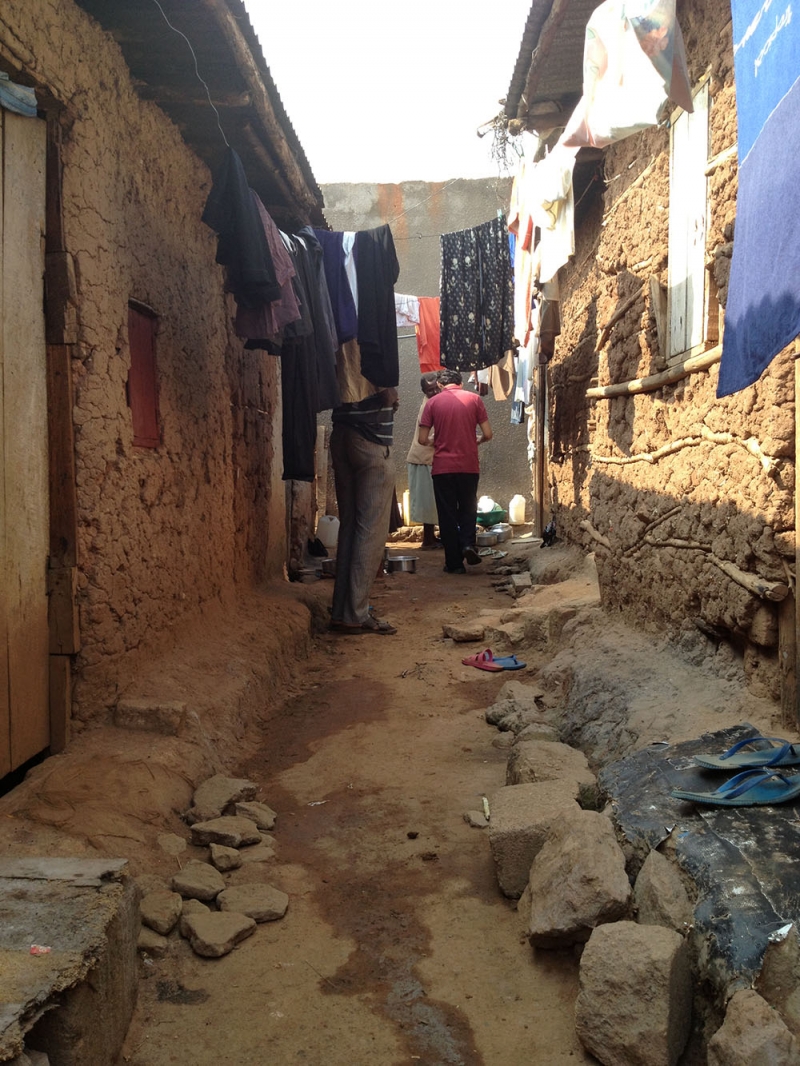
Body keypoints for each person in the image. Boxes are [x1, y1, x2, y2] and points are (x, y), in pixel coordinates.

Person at [329, 388, 399, 634]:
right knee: (370, 530)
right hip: (370, 439)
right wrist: (391, 394)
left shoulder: (340, 359)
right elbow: (387, 394)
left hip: (341, 433)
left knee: (349, 527)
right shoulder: (377, 360)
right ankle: (356, 614)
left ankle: (341, 612)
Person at [418, 369, 492, 574]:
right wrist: (477, 440)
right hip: (469, 466)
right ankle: (467, 543)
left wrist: (436, 441)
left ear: (440, 385)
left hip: (442, 468)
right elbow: (488, 433)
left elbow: (422, 439)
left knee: (447, 514)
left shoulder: (432, 403)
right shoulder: (474, 399)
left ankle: (454, 563)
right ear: (460, 383)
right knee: (468, 508)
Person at [406, 372, 441, 549]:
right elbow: (428, 437)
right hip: (423, 459)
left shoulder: (432, 402)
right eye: (430, 390)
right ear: (424, 391)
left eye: (436, 388)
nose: (434, 392)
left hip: (427, 458)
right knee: (428, 502)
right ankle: (428, 540)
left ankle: (431, 538)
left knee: (431, 500)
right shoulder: (430, 406)